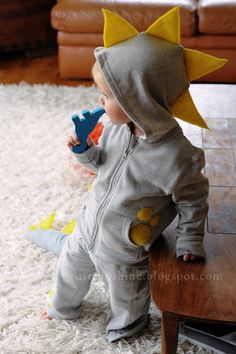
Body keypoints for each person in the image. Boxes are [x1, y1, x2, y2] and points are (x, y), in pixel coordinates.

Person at [26, 7, 227, 343]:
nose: (99, 101)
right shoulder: (117, 129)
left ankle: (127, 326)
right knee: (69, 270)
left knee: (128, 293)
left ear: (142, 101)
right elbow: (101, 166)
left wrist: (190, 240)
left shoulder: (178, 157)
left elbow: (193, 201)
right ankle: (63, 308)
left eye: (106, 96)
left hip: (125, 247)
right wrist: (83, 151)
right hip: (89, 225)